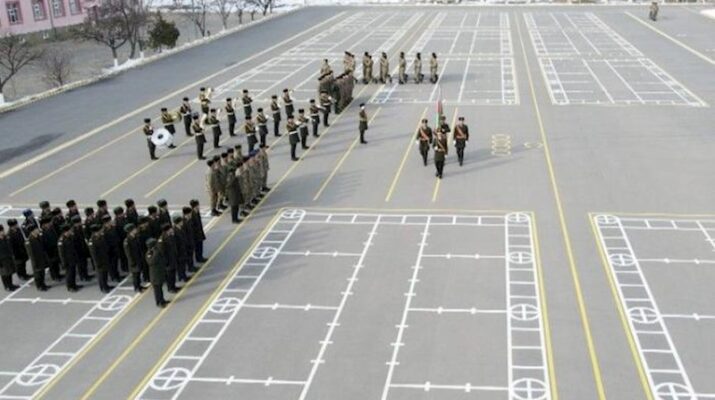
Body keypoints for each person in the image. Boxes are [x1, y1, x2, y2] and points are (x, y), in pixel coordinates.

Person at [88, 224, 113, 293]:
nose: (101, 231)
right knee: (101, 275)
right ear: (95, 232)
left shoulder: (100, 236)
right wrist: (97, 263)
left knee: (105, 273)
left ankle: (106, 285)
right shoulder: (92, 241)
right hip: (99, 261)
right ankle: (103, 288)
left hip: (104, 258)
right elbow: (94, 254)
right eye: (99, 230)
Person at [57, 224, 82, 292]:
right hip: (67, 261)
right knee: (69, 274)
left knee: (73, 273)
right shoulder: (61, 240)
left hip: (72, 258)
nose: (71, 231)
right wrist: (64, 263)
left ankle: (74, 285)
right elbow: (61, 253)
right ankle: (70, 287)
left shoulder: (70, 237)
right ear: (66, 231)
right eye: (69, 230)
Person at [25, 225, 50, 291]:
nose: (38, 230)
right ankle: (39, 286)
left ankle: (43, 284)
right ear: (32, 231)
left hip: (41, 257)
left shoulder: (38, 236)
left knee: (42, 272)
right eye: (36, 229)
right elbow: (31, 254)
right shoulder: (29, 241)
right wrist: (35, 263)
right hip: (36, 260)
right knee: (38, 274)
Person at [145, 238, 169, 308]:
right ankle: (159, 302)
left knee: (160, 289)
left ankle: (162, 300)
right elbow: (151, 262)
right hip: (154, 275)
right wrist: (155, 252)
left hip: (159, 272)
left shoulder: (157, 251)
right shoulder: (149, 253)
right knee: (157, 290)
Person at [123, 224, 146, 293]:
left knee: (138, 274)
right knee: (135, 275)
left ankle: (139, 285)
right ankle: (136, 287)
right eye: (134, 229)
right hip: (134, 261)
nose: (136, 230)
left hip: (138, 258)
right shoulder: (127, 241)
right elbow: (128, 253)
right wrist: (132, 262)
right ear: (130, 231)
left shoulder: (135, 237)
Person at [70, 215, 92, 281]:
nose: (80, 223)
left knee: (84, 263)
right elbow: (73, 243)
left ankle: (86, 274)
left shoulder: (79, 228)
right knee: (80, 264)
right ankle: (83, 276)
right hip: (77, 250)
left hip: (82, 248)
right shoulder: (73, 231)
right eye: (79, 222)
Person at [160, 224, 180, 294]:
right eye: (170, 229)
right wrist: (166, 261)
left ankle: (173, 286)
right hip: (168, 260)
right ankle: (170, 288)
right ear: (167, 230)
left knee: (173, 274)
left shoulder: (170, 235)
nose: (172, 229)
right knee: (169, 275)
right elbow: (163, 252)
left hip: (173, 258)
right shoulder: (162, 239)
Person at [40, 216, 62, 282]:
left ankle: (58, 274)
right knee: (52, 264)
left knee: (56, 263)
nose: (50, 224)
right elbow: (43, 243)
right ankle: (54, 276)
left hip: (54, 248)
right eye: (48, 223)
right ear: (44, 225)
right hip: (49, 250)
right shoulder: (42, 232)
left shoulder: (51, 229)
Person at [0, 226, 19, 292]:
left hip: (8, 257)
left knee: (10, 272)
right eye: (1, 231)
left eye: (2, 230)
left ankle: (11, 284)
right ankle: (7, 286)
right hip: (2, 260)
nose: (2, 232)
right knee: (4, 274)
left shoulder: (5, 238)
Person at [172, 216, 191, 282]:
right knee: (181, 265)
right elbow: (176, 243)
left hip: (183, 249)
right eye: (181, 221)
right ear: (178, 222)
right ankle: (183, 277)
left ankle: (182, 276)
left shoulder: (180, 228)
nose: (182, 222)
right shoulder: (175, 231)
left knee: (183, 264)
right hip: (180, 251)